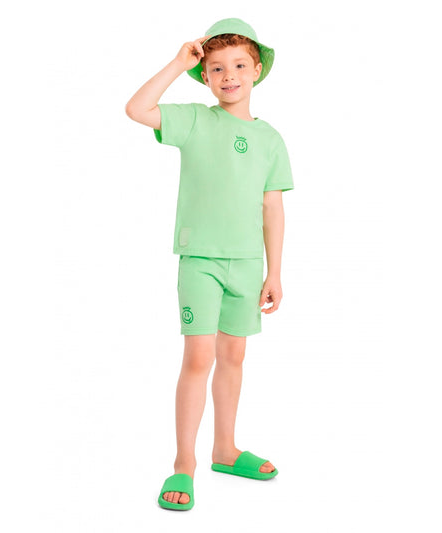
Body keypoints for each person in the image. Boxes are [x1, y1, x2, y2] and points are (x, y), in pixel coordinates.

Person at [125, 17, 294, 511]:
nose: (229, 76)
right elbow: (137, 108)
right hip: (200, 259)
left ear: (256, 70)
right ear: (205, 76)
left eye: (239, 65)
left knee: (234, 357)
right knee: (198, 358)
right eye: (217, 68)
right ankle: (184, 462)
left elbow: (272, 208)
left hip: (248, 263)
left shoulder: (271, 139)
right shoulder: (196, 120)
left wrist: (274, 271)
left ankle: (225, 449)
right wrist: (179, 63)